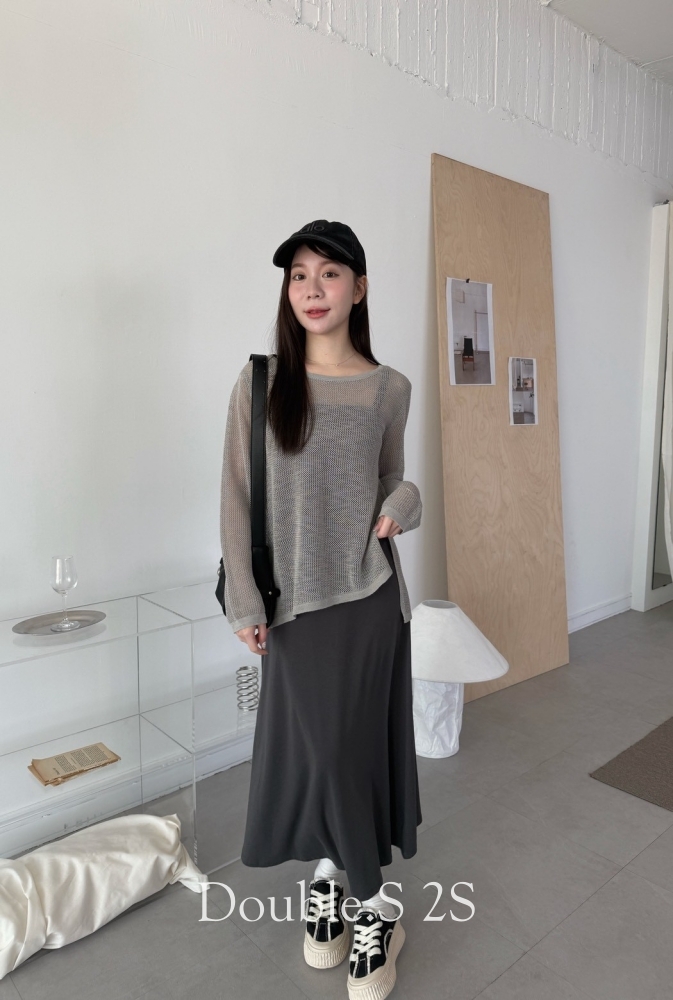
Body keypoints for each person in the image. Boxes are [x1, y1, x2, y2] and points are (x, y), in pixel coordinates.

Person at [219, 219, 423, 1000]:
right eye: (298, 274)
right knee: (323, 753)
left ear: (358, 288)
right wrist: (243, 598)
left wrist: (405, 502)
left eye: (329, 273)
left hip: (368, 597)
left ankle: (354, 898)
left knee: (345, 751)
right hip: (293, 606)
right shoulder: (260, 381)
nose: (311, 288)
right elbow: (236, 496)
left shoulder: (388, 388)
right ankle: (364, 898)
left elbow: (393, 480)